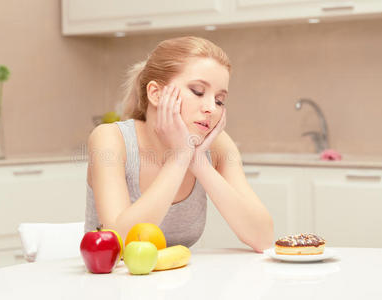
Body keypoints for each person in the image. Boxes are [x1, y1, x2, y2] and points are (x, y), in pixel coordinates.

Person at [84, 36, 273, 253]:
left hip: (180, 283)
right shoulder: (111, 140)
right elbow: (119, 242)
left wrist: (198, 162)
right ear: (156, 93)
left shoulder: (217, 146)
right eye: (198, 92)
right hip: (109, 285)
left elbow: (263, 238)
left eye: (219, 100)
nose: (211, 108)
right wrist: (179, 158)